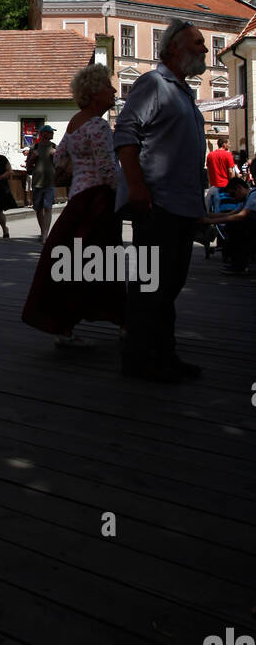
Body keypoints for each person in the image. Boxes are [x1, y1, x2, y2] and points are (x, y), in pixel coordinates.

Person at [113, 19, 208, 382]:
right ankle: (140, 360)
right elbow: (125, 133)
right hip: (156, 204)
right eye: (197, 43)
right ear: (173, 49)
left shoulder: (183, 91)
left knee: (168, 285)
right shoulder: (153, 83)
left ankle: (162, 354)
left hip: (180, 206)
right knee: (149, 285)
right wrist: (136, 185)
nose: (203, 49)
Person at [22, 65, 125, 347]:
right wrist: (127, 198)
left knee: (73, 264)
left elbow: (60, 160)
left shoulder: (75, 123)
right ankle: (125, 323)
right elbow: (107, 169)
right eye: (108, 86)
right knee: (107, 263)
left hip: (78, 200)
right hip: (100, 201)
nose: (113, 91)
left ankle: (64, 327)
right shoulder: (99, 125)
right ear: (94, 94)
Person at [202, 176, 256, 274]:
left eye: (233, 194)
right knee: (233, 225)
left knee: (239, 225)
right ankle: (236, 261)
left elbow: (239, 216)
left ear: (239, 187)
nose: (233, 197)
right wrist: (206, 216)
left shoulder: (253, 195)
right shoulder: (245, 199)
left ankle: (240, 265)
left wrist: (210, 221)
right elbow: (230, 214)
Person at [26, 125, 57, 243]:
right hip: (37, 181)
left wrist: (56, 156)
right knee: (38, 209)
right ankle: (43, 231)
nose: (52, 134)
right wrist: (33, 157)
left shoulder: (54, 147)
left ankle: (45, 235)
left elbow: (60, 164)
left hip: (50, 181)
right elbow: (28, 166)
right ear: (43, 134)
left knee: (48, 208)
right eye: (50, 132)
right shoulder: (35, 147)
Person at [205, 134, 238, 212]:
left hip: (214, 187)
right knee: (227, 211)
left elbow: (208, 172)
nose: (229, 145)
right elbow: (230, 171)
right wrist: (233, 184)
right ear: (224, 144)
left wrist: (211, 184)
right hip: (225, 187)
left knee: (215, 210)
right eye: (228, 143)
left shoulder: (210, 155)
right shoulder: (228, 155)